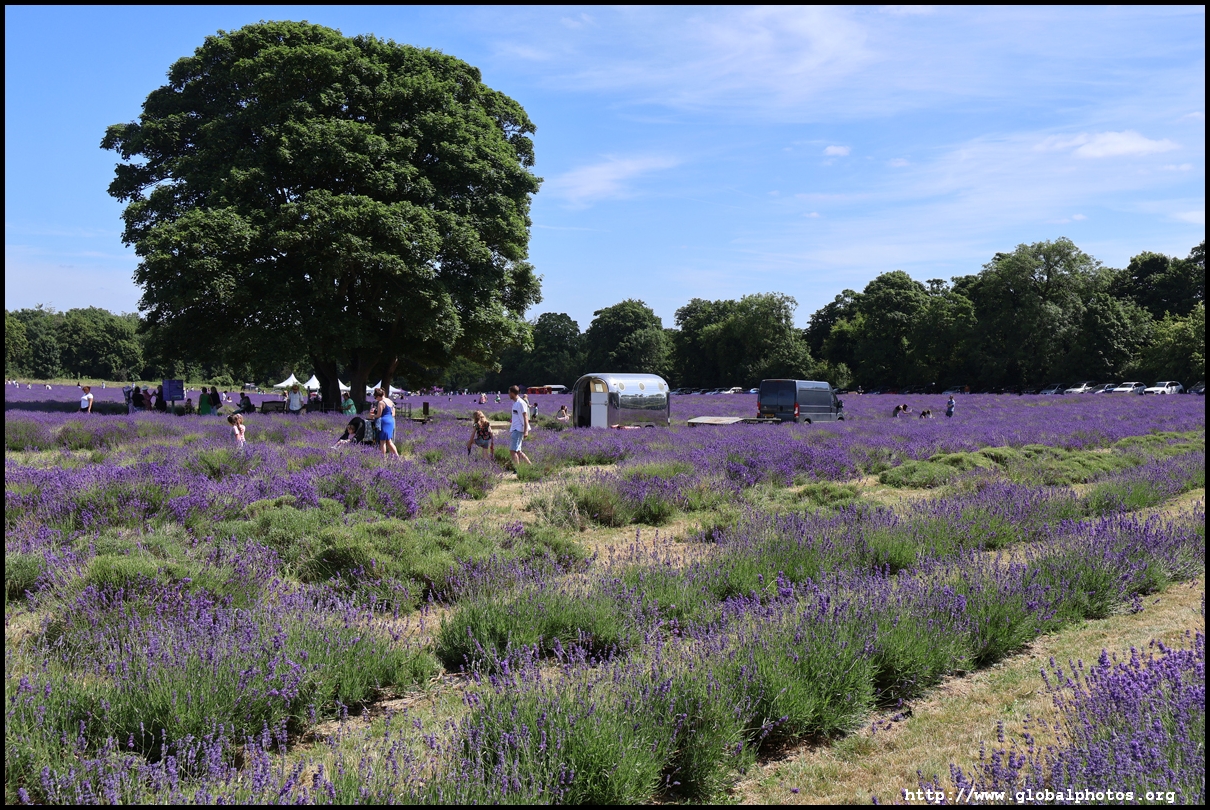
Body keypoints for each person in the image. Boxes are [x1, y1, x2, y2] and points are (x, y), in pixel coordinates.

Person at [370, 387, 400, 458]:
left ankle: (382, 458)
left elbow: (379, 415)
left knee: (382, 441)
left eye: (376, 397)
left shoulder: (381, 402)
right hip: (391, 421)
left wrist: (372, 415)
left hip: (384, 422)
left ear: (378, 396)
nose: (376, 399)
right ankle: (397, 456)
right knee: (389, 441)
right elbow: (393, 413)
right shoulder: (390, 401)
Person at [507, 385, 531, 466]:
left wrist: (526, 431)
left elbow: (525, 417)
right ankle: (530, 466)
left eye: (509, 393)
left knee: (512, 451)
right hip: (515, 429)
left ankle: (517, 469)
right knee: (518, 451)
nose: (508, 394)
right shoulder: (515, 403)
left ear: (513, 393)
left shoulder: (521, 403)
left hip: (518, 429)